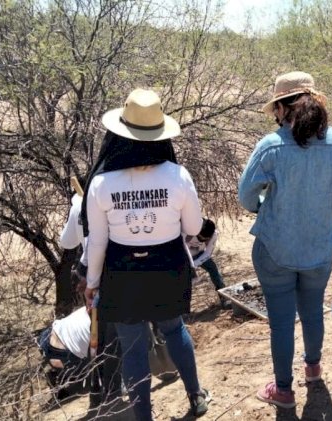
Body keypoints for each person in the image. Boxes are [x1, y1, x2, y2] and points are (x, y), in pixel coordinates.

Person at [82, 88, 211, 420]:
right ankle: (196, 397)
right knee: (174, 329)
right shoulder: (178, 176)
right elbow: (195, 226)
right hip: (167, 266)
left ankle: (144, 417)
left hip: (121, 272)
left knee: (133, 347)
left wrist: (92, 283)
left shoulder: (101, 183)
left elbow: (97, 241)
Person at [238, 71, 332, 409]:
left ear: (281, 109)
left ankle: (284, 390)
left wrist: (267, 205)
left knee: (282, 321)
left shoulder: (272, 146)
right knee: (314, 310)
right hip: (319, 246)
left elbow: (246, 197)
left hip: (277, 249)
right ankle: (313, 369)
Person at [37, 306, 91, 400]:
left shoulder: (95, 302)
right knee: (87, 368)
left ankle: (59, 371)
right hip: (60, 351)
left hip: (47, 334)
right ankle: (58, 376)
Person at [186, 218, 229, 306]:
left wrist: (194, 265)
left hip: (199, 255)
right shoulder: (187, 230)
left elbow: (208, 253)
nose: (201, 240)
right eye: (199, 238)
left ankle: (224, 297)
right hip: (183, 256)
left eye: (204, 240)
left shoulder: (214, 235)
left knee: (213, 268)